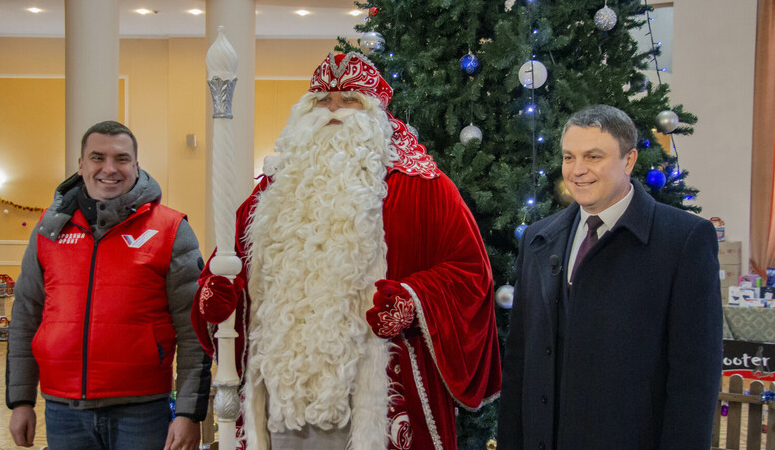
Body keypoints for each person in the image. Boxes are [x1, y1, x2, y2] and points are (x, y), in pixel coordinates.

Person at [192, 52, 501, 450]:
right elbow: (225, 270)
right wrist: (217, 296)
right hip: (282, 406)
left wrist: (413, 299)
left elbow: (471, 273)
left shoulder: (424, 187)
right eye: (323, 100)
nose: (333, 110)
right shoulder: (267, 196)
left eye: (350, 99)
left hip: (379, 398)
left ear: (376, 114)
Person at [497, 105, 722, 450]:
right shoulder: (539, 238)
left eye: (593, 156)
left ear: (629, 160)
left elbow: (694, 381)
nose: (578, 170)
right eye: (569, 157)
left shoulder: (684, 240)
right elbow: (520, 365)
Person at [6, 120, 212, 450]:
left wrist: (188, 412)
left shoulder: (170, 229)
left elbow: (194, 330)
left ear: (136, 164)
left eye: (121, 158)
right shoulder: (49, 229)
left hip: (142, 410)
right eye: (98, 157)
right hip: (63, 409)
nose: (109, 169)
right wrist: (21, 401)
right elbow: (25, 318)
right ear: (81, 164)